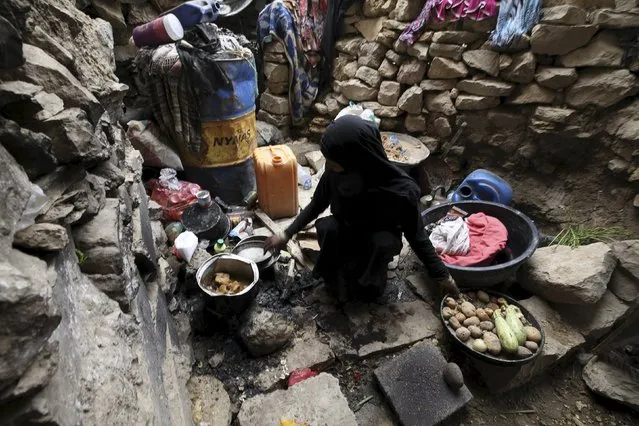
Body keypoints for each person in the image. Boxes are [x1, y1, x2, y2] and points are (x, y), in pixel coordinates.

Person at [264, 115, 458, 301]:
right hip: (346, 228)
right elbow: (316, 205)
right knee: (329, 229)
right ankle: (339, 278)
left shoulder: (400, 191)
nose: (328, 165)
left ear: (357, 156)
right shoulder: (335, 175)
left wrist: (442, 275)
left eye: (333, 160)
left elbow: (417, 236)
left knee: (378, 257)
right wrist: (286, 234)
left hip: (378, 237)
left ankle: (371, 282)